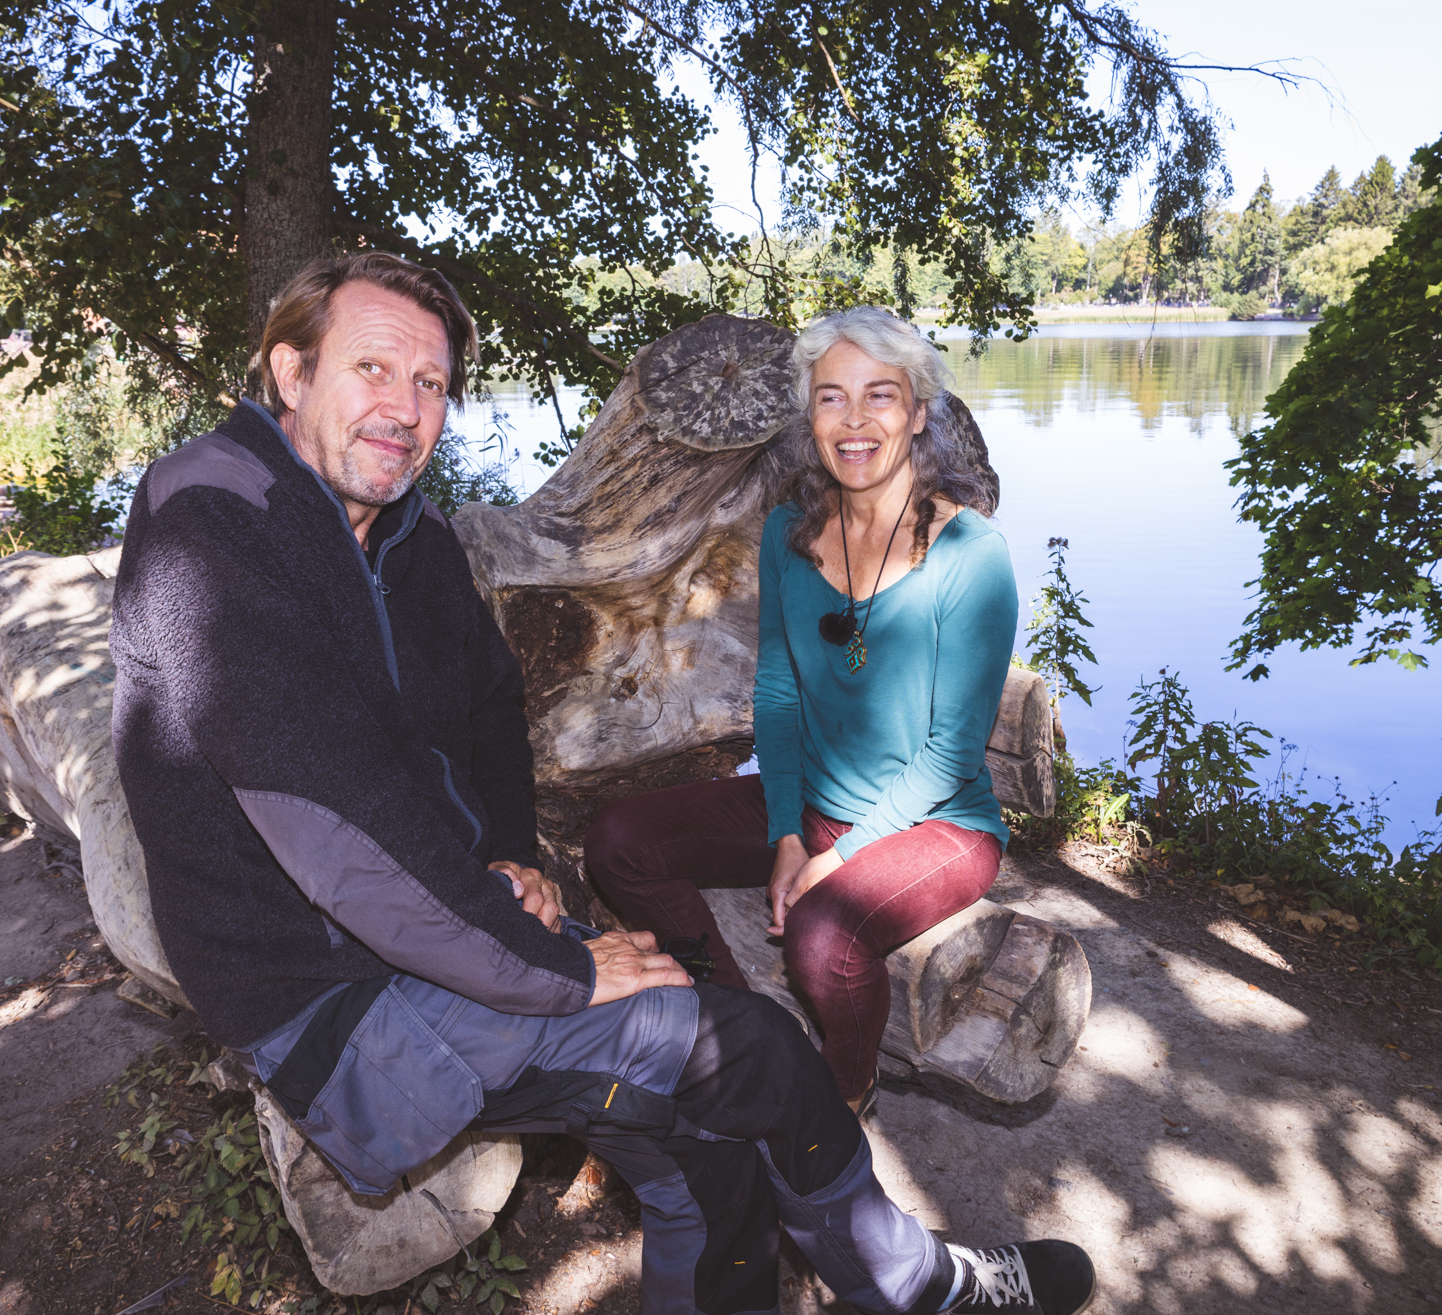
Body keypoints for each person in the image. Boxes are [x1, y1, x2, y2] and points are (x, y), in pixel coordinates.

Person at [110, 256, 1092, 1315]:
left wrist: (509, 852)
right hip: (339, 1002)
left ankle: (882, 1275)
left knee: (710, 1159)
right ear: (291, 371)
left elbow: (488, 701)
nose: (405, 408)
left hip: (428, 932)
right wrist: (561, 970)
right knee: (749, 1049)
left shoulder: (408, 531)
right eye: (373, 368)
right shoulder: (216, 516)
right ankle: (918, 1287)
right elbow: (336, 828)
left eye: (431, 384)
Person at [586, 306, 1017, 1117]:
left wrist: (838, 858)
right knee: (618, 840)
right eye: (831, 398)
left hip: (938, 825)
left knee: (826, 935)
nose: (854, 422)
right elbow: (779, 694)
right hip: (812, 803)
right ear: (809, 413)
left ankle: (844, 1089)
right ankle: (737, 1023)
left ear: (919, 413)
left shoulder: (972, 557)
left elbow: (951, 754)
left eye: (880, 395)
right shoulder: (789, 532)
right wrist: (788, 832)